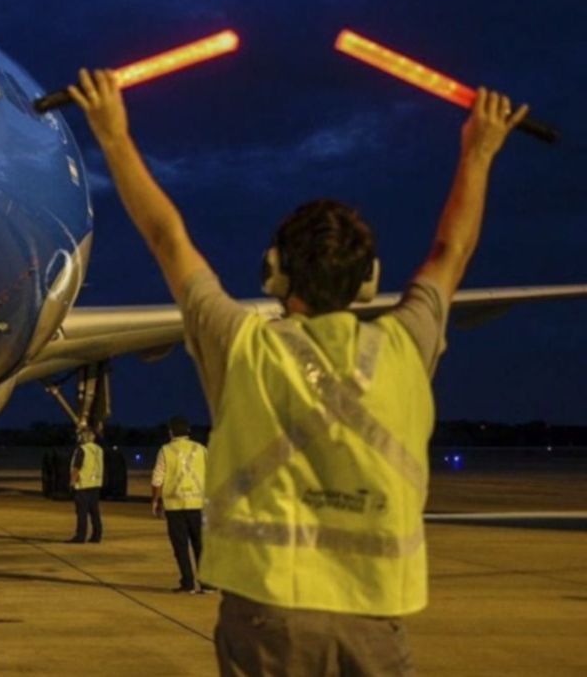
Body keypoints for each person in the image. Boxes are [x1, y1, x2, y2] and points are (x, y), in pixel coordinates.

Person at [70, 68, 527, 674]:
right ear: (370, 281)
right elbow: (450, 253)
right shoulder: (404, 346)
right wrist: (480, 150)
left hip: (268, 619)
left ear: (273, 274)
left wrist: (113, 135)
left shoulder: (242, 347)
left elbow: (166, 236)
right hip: (373, 619)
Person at [150, 416, 208, 593]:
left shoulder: (166, 451)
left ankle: (188, 583)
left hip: (175, 506)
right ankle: (208, 584)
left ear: (171, 432)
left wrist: (155, 501)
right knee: (201, 546)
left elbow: (157, 479)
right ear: (188, 431)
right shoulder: (202, 449)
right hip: (198, 504)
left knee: (181, 547)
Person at [67, 427, 104, 543]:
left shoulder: (82, 450)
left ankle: (80, 536)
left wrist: (72, 482)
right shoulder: (99, 450)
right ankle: (97, 535)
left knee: (82, 512)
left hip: (83, 485)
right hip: (96, 484)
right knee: (94, 511)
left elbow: (76, 467)